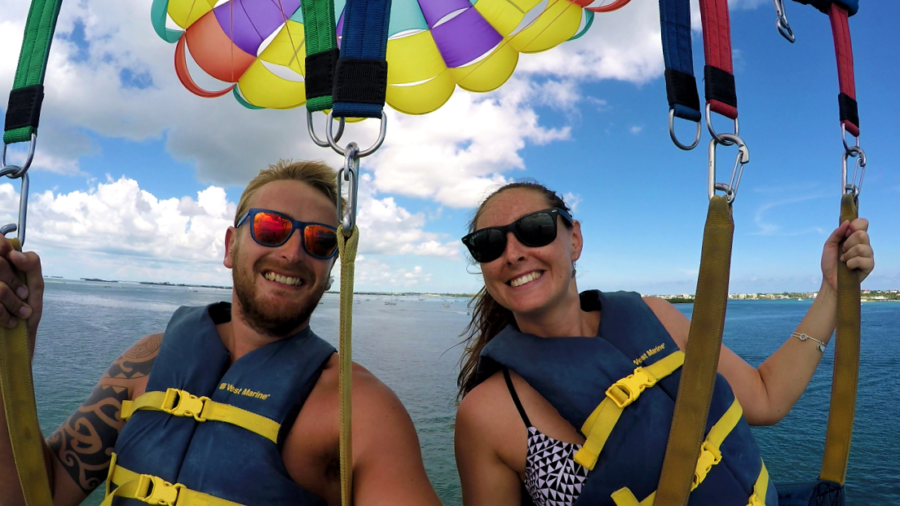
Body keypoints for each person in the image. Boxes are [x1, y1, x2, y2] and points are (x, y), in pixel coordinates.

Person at [0, 160, 442, 506]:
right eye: (272, 228)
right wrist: (11, 347)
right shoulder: (146, 362)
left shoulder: (359, 410)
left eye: (321, 241)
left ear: (331, 270)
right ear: (231, 245)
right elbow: (34, 494)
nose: (292, 252)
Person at [453, 181, 875, 506]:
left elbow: (766, 398)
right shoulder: (486, 415)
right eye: (488, 244)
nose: (512, 253)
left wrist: (833, 292)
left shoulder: (656, 317)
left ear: (574, 239)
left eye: (535, 229)